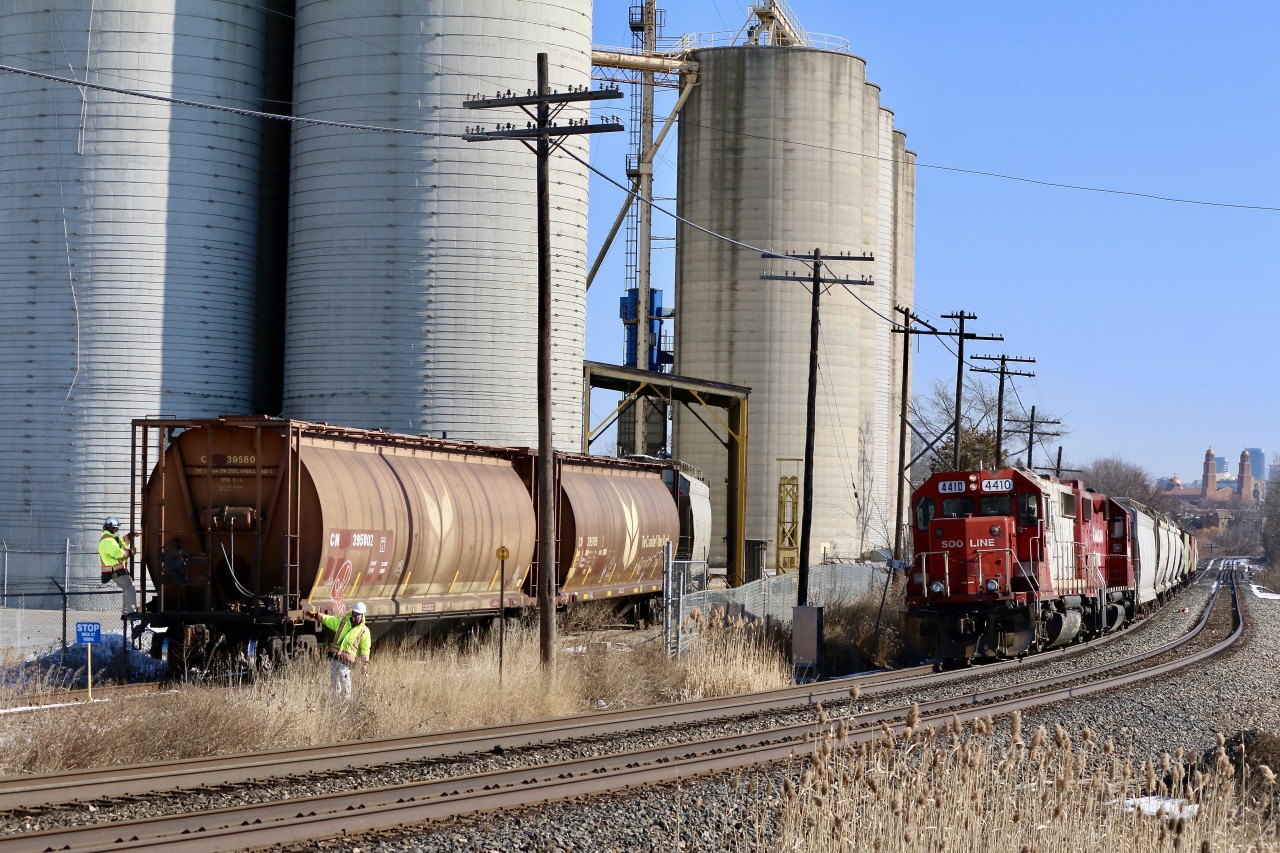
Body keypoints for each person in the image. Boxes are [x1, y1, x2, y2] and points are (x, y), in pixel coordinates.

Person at [305, 601, 371, 700]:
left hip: (347, 661)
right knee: (334, 678)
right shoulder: (342, 622)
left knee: (344, 678)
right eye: (355, 613)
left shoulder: (364, 631)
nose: (356, 616)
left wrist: (364, 665)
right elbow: (329, 620)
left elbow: (365, 650)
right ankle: (335, 700)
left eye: (358, 615)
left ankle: (347, 701)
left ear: (362, 616)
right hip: (336, 657)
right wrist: (316, 615)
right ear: (352, 612)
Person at [99, 517, 137, 615]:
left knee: (126, 588)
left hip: (118, 571)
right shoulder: (107, 541)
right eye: (116, 529)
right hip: (116, 571)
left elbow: (121, 542)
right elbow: (117, 552)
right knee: (129, 587)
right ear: (111, 529)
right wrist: (130, 552)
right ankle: (131, 613)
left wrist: (130, 536)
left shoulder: (112, 539)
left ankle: (126, 613)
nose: (117, 530)